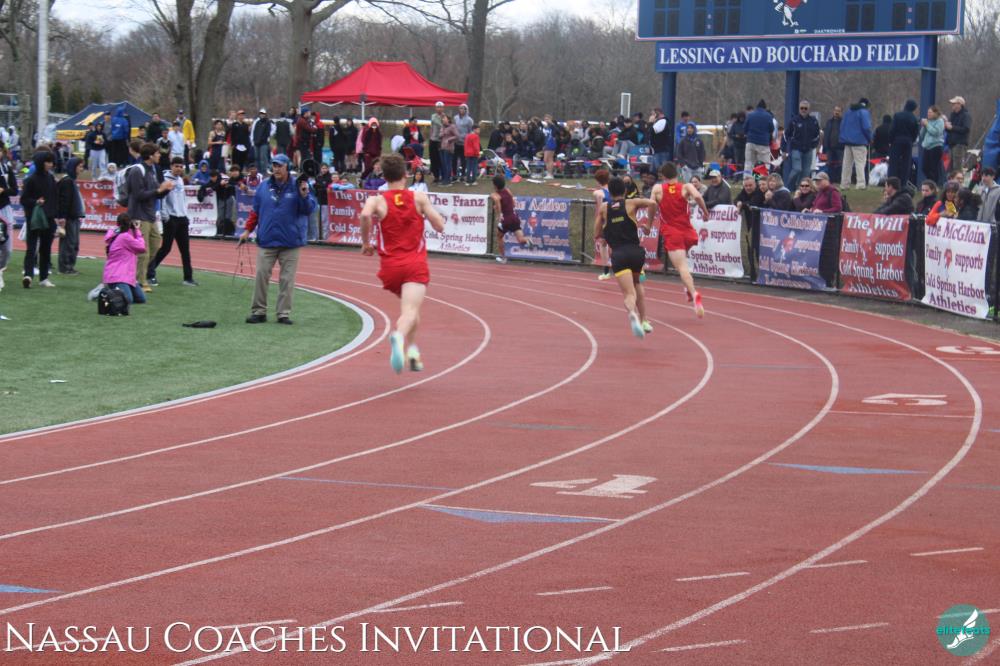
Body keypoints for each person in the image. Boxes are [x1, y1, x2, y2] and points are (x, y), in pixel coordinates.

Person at [359, 154, 446, 373]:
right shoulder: (418, 197)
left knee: (411, 309)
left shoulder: (377, 200)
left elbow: (365, 216)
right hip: (414, 264)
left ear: (384, 176)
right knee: (410, 311)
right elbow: (439, 225)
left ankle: (413, 351)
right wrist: (439, 221)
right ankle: (398, 337)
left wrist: (366, 243)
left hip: (390, 267)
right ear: (405, 175)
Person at [242, 153, 316, 325]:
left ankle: (283, 314)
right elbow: (255, 211)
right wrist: (247, 230)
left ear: (287, 167)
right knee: (261, 276)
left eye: (279, 165)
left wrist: (304, 195)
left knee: (287, 280)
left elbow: (309, 209)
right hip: (267, 239)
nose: (276, 169)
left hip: (291, 241)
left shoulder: (299, 185)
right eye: (274, 165)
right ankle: (259, 311)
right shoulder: (263, 186)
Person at [596, 176, 656, 337]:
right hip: (636, 253)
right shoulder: (632, 203)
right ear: (625, 191)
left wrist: (605, 235)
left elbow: (596, 233)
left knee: (629, 293)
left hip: (619, 254)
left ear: (609, 192)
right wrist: (648, 225)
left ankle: (632, 313)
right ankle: (644, 320)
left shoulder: (604, 208)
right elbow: (652, 203)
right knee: (638, 284)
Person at [649, 162, 709, 317]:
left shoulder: (657, 189)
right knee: (683, 262)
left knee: (682, 267)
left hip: (672, 233)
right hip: (688, 232)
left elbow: (651, 206)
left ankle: (694, 293)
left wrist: (649, 223)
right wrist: (705, 212)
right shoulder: (686, 186)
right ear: (677, 173)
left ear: (663, 176)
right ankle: (688, 289)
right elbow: (698, 196)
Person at [129, 143, 173, 291]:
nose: (159, 155)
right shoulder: (137, 170)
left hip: (150, 215)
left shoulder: (152, 171)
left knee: (155, 244)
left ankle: (135, 274)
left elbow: (156, 194)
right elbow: (138, 195)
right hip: (139, 215)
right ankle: (140, 282)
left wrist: (166, 189)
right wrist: (158, 190)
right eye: (157, 153)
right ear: (150, 155)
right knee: (143, 251)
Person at [149, 157, 197, 286]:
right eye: (176, 166)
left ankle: (188, 278)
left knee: (185, 250)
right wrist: (166, 217)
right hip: (171, 218)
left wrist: (185, 215)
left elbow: (182, 199)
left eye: (181, 167)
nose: (179, 169)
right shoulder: (165, 179)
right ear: (171, 166)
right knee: (166, 248)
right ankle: (149, 272)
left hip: (182, 218)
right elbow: (162, 199)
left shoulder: (180, 180)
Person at [20, 151, 59, 288]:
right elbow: (24, 199)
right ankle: (28, 275)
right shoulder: (30, 179)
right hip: (34, 218)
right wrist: (36, 202)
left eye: (51, 161)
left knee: (46, 249)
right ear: (41, 162)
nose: (50, 164)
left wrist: (56, 215)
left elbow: (54, 198)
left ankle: (43, 277)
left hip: (49, 218)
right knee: (31, 248)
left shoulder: (51, 178)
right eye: (47, 161)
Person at [103, 213, 147, 304]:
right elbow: (142, 247)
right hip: (118, 275)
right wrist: (138, 232)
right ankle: (103, 293)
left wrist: (134, 230)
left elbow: (116, 231)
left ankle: (111, 290)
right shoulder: (125, 237)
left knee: (141, 299)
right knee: (128, 300)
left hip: (125, 275)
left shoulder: (115, 233)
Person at [491, 174, 534, 264]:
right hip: (514, 217)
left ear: (495, 185)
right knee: (520, 239)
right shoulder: (508, 190)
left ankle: (503, 258)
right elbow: (513, 204)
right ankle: (527, 240)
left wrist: (499, 216)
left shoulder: (495, 195)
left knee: (499, 237)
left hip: (506, 219)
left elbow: (498, 205)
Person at [56, 157, 85, 275]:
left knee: (73, 243)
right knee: (69, 243)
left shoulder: (71, 180)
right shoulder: (67, 181)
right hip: (68, 217)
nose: (81, 169)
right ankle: (65, 267)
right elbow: (64, 201)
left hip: (73, 217)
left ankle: (69, 266)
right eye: (80, 166)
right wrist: (62, 217)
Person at [785, 100, 820, 188]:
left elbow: (817, 134)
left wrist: (814, 145)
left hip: (808, 149)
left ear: (809, 109)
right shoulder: (794, 120)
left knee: (806, 172)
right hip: (796, 149)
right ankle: (787, 186)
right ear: (799, 109)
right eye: (801, 108)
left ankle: (800, 189)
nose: (803, 110)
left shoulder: (813, 121)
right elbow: (787, 135)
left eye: (805, 108)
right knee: (797, 169)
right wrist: (786, 148)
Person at [840, 98, 873, 189]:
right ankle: (860, 184)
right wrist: (870, 139)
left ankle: (844, 184)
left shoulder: (848, 112)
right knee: (860, 164)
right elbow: (866, 127)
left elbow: (842, 126)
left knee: (846, 164)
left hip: (847, 142)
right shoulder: (864, 112)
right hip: (859, 142)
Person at [0, 145, 18, 292]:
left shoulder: (6, 168)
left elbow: (14, 190)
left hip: (4, 210)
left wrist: (3, 190)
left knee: (7, 248)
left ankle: (1, 268)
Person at [889, 100, 919, 186]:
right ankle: (903, 183)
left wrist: (890, 140)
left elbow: (892, 129)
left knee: (894, 162)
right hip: (908, 142)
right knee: (906, 163)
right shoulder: (914, 118)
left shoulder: (897, 115)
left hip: (897, 140)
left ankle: (892, 182)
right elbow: (915, 132)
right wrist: (912, 140)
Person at [593, 168, 613, 280]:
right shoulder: (614, 189)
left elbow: (599, 210)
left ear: (597, 180)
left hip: (606, 221)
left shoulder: (598, 193)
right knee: (605, 243)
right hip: (617, 218)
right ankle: (606, 271)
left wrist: (598, 226)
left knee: (604, 244)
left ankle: (606, 271)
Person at [744, 100, 774, 170]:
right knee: (763, 164)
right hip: (763, 143)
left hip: (751, 142)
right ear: (765, 108)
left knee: (749, 163)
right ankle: (760, 177)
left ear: (757, 107)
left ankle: (748, 177)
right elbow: (771, 129)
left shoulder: (750, 115)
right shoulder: (768, 116)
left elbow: (745, 128)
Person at [919, 105, 945, 185]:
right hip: (927, 147)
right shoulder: (928, 121)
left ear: (935, 113)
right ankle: (930, 183)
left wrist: (927, 125)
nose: (928, 114)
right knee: (924, 168)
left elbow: (936, 132)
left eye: (930, 112)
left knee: (934, 168)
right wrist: (924, 126)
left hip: (936, 146)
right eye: (928, 112)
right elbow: (921, 135)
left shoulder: (940, 121)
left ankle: (934, 184)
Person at [945, 96, 971, 173]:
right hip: (951, 144)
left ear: (960, 105)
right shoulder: (953, 115)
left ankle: (958, 180)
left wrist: (952, 127)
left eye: (954, 103)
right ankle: (952, 180)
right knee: (950, 168)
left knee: (957, 167)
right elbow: (950, 128)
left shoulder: (966, 115)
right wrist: (946, 126)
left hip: (959, 144)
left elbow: (966, 129)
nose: (952, 105)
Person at [452, 104, 474, 180]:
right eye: (460, 108)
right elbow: (453, 128)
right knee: (454, 159)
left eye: (463, 108)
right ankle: (454, 174)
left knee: (463, 159)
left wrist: (467, 138)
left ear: (466, 110)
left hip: (464, 142)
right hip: (456, 141)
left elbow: (470, 131)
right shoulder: (455, 118)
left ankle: (463, 175)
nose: (461, 110)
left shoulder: (469, 120)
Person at [823, 106, 843, 183]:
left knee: (840, 165)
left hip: (840, 147)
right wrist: (825, 146)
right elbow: (826, 134)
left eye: (838, 111)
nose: (836, 112)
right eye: (835, 110)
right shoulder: (829, 122)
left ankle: (839, 180)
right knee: (829, 164)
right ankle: (830, 180)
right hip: (829, 147)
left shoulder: (843, 122)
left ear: (841, 112)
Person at [251, 108, 274, 173]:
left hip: (264, 143)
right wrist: (254, 141)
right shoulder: (257, 122)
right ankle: (257, 171)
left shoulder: (268, 122)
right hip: (256, 143)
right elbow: (254, 132)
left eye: (263, 114)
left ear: (265, 114)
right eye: (261, 113)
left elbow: (268, 133)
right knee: (256, 158)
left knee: (263, 158)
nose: (262, 115)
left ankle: (263, 171)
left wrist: (262, 139)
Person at [438, 115, 457, 185]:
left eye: (444, 118)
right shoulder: (442, 127)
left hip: (449, 148)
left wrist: (449, 139)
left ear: (448, 119)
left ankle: (448, 180)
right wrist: (441, 134)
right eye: (443, 118)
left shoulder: (452, 126)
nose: (443, 119)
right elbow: (439, 136)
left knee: (447, 164)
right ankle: (444, 179)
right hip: (442, 147)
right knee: (443, 164)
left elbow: (457, 136)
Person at [429, 102, 445, 182]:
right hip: (433, 139)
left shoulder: (444, 117)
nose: (439, 108)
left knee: (440, 159)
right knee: (433, 158)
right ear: (435, 108)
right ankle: (436, 176)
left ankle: (442, 175)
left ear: (443, 108)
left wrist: (442, 119)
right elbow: (431, 127)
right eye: (438, 107)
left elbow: (443, 125)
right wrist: (430, 137)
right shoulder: (433, 116)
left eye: (440, 107)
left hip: (441, 140)